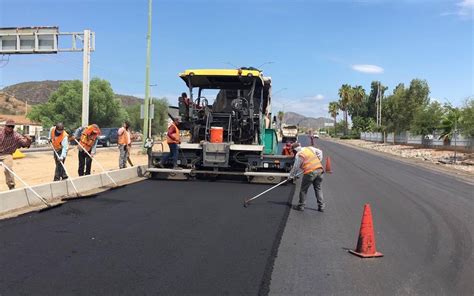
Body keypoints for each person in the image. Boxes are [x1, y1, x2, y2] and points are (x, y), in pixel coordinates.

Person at [288, 142, 325, 212]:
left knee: (303, 190)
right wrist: (319, 161)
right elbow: (320, 152)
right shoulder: (309, 148)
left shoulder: (299, 155)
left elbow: (296, 167)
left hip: (310, 173)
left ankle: (301, 206)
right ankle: (321, 207)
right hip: (320, 170)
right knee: (318, 189)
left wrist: (291, 176)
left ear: (295, 150)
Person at [0, 119, 32, 190]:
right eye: (9, 126)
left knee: (8, 169)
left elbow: (25, 143)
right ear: (5, 126)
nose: (10, 128)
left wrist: (29, 140)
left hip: (7, 154)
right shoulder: (0, 132)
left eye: (12, 127)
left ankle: (11, 186)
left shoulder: (16, 136)